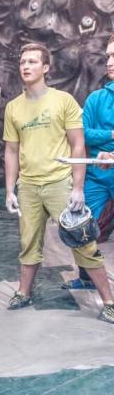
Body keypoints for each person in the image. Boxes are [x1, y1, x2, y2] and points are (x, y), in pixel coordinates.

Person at [3, 42, 114, 322]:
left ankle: (109, 301)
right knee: (29, 242)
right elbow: (11, 151)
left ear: (46, 68)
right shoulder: (14, 108)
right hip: (29, 186)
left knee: (83, 240)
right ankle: (23, 292)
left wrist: (76, 187)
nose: (25, 66)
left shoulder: (63, 101)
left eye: (32, 61)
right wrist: (9, 190)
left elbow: (78, 145)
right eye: (22, 62)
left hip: (59, 183)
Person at [63, 37, 114, 290]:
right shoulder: (96, 98)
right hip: (96, 175)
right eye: (108, 56)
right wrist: (111, 136)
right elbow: (84, 134)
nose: (110, 63)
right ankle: (87, 278)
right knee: (83, 227)